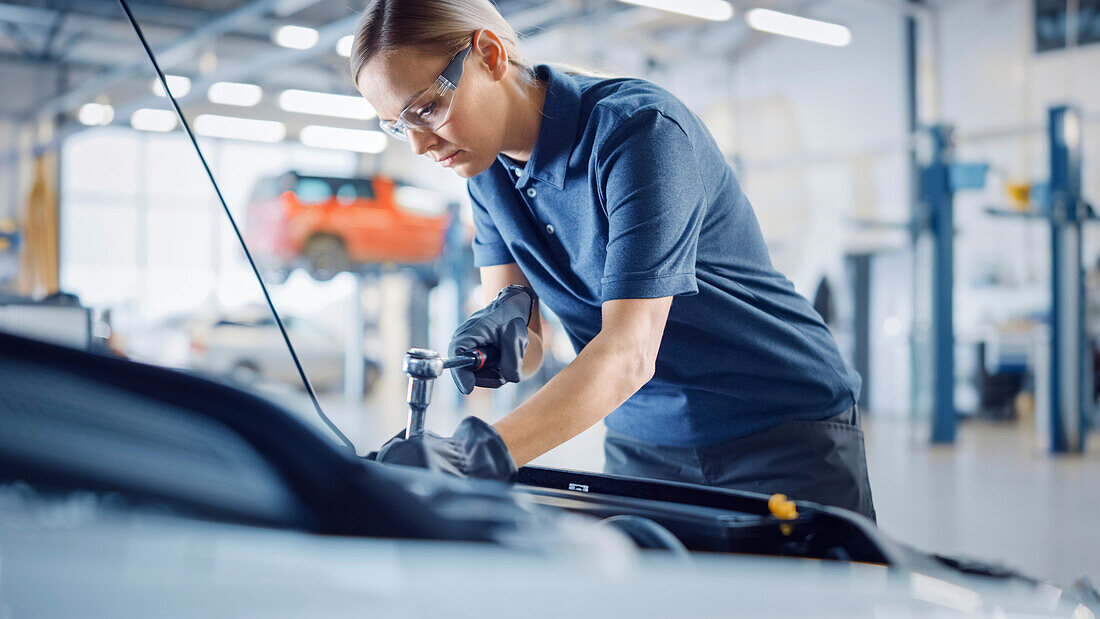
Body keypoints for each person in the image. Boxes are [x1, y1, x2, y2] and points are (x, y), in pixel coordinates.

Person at [354, 0, 875, 520]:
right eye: (397, 126)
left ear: (488, 55)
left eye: (425, 108)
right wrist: (500, 334)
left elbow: (628, 355)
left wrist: (471, 457)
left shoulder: (639, 132)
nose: (419, 145)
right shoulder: (485, 173)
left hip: (779, 429)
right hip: (642, 440)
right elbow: (531, 349)